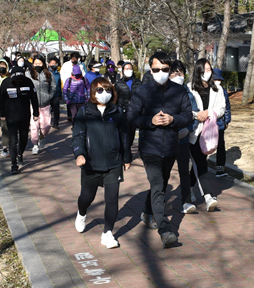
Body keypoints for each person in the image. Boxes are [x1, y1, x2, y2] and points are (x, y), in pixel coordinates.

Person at [127, 52, 192, 248]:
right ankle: (165, 230)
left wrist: (174, 120)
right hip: (150, 148)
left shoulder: (179, 92)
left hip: (171, 147)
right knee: (157, 185)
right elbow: (130, 117)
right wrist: (150, 121)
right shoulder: (142, 91)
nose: (161, 73)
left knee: (160, 186)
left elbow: (188, 116)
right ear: (150, 69)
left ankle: (147, 212)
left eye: (165, 70)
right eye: (156, 69)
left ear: (170, 70)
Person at [72, 78, 132, 248]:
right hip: (91, 164)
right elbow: (78, 136)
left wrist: (127, 157)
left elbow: (125, 136)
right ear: (92, 92)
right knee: (86, 197)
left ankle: (107, 233)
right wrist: (79, 154)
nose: (104, 94)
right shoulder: (85, 112)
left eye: (107, 90)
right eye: (99, 90)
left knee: (112, 199)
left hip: (113, 164)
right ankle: (82, 213)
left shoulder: (117, 112)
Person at [187, 58, 225, 212]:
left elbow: (222, 108)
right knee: (200, 162)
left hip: (209, 132)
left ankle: (188, 187)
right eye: (203, 70)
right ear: (197, 71)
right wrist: (197, 115)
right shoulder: (189, 88)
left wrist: (208, 113)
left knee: (199, 162)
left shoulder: (217, 89)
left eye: (209, 69)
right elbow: (183, 108)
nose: (207, 73)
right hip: (193, 131)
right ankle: (208, 196)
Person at [169, 60, 198, 214]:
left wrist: (188, 129)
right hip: (165, 140)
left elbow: (195, 115)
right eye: (174, 72)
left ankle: (186, 201)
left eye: (181, 72)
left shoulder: (188, 94)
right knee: (162, 174)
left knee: (184, 171)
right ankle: (155, 205)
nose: (178, 75)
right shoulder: (163, 93)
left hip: (183, 139)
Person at [0, 65, 40, 174]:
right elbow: (1, 99)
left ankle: (20, 154)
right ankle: (13, 164)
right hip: (11, 117)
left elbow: (34, 98)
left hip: (25, 116)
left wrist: (36, 113)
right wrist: (2, 114)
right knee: (13, 140)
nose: (18, 81)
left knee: (23, 138)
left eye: (20, 79)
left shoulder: (28, 82)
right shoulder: (5, 83)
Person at [26, 56, 56, 155]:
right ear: (33, 64)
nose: (38, 65)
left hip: (45, 104)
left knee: (46, 126)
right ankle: (35, 144)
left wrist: (49, 96)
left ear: (43, 64)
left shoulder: (48, 74)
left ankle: (42, 137)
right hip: (33, 105)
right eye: (36, 63)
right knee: (34, 126)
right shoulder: (28, 74)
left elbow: (53, 87)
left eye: (40, 63)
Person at [114, 62, 142, 148]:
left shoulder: (138, 83)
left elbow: (142, 97)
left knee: (131, 133)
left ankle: (128, 149)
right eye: (126, 68)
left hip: (134, 112)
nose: (128, 70)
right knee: (122, 132)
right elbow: (115, 98)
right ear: (122, 70)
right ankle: (123, 151)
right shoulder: (118, 84)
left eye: (130, 68)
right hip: (122, 111)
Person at [212, 69, 231, 177]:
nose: (217, 81)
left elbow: (227, 108)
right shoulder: (206, 90)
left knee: (220, 145)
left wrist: (227, 121)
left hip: (219, 124)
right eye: (216, 79)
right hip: (207, 123)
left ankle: (220, 168)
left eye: (219, 79)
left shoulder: (223, 91)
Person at [60, 52, 86, 122]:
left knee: (79, 103)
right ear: (71, 58)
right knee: (70, 102)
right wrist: (67, 82)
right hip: (69, 85)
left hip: (79, 86)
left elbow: (83, 74)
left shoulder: (81, 65)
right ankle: (70, 115)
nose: (75, 60)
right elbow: (62, 74)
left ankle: (78, 116)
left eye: (76, 58)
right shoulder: (66, 65)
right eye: (74, 58)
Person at [48, 57, 62, 129]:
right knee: (47, 110)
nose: (53, 65)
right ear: (49, 64)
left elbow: (59, 84)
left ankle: (56, 123)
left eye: (55, 63)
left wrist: (60, 94)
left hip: (56, 94)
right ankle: (47, 123)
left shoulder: (58, 74)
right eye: (52, 63)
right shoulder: (46, 73)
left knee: (56, 110)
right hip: (47, 94)